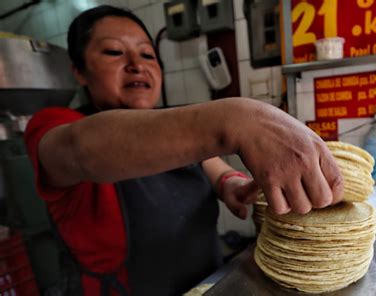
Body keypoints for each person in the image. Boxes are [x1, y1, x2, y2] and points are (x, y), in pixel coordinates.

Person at [24, 5, 343, 296]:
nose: (137, 66)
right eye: (113, 52)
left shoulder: (171, 129)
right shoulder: (55, 126)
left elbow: (211, 164)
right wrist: (240, 119)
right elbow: (83, 149)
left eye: (148, 55)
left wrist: (231, 184)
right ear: (78, 71)